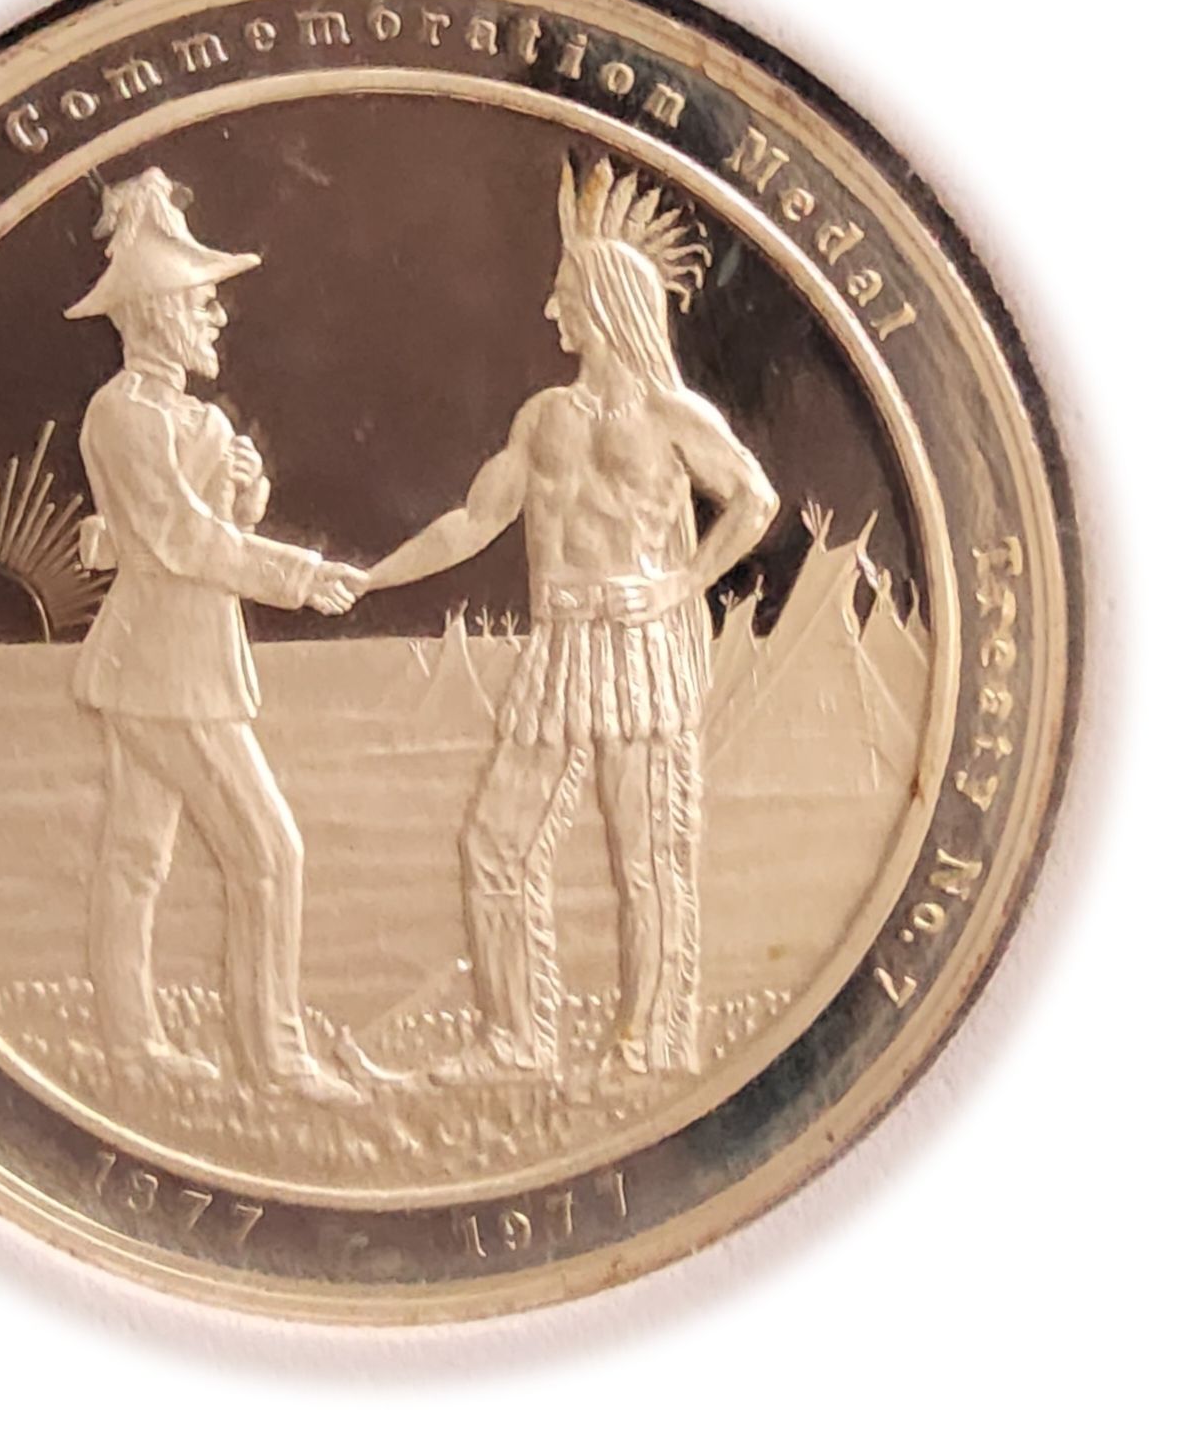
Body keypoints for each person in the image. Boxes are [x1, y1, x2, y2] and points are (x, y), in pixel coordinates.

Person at [363, 158, 779, 1079]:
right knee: (496, 840)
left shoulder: (672, 414)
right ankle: (516, 1039)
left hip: (640, 649)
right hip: (560, 649)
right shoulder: (543, 417)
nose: (552, 312)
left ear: (606, 304)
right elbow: (475, 520)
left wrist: (680, 584)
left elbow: (754, 499)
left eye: (565, 296)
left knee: (646, 857)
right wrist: (371, 578)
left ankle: (650, 1045)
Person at [65, 166, 364, 1105]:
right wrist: (299, 575)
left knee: (138, 853)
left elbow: (191, 526)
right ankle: (274, 1057)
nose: (217, 319)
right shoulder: (121, 414)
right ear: (159, 315)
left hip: (179, 665)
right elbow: (178, 540)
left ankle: (131, 1049)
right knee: (268, 852)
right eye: (202, 304)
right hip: (166, 673)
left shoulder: (194, 417)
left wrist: (245, 489)